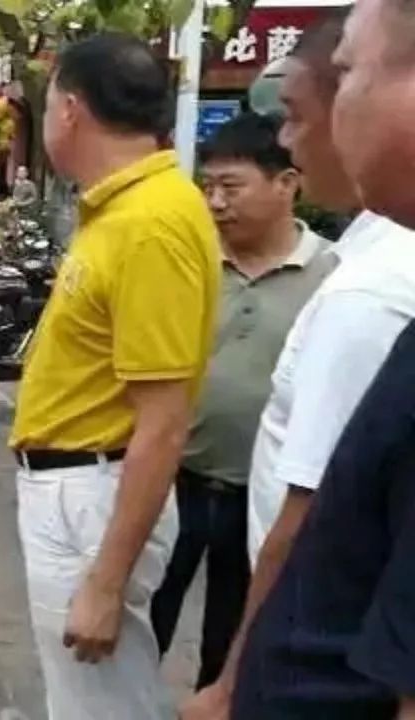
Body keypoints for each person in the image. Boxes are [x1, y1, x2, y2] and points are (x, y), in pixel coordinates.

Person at [182, 13, 415, 719]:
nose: (290, 136)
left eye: (348, 73)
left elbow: (306, 503)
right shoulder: (368, 262)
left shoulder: (367, 295)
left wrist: (230, 684)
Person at [9, 33, 220, 720]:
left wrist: (106, 578)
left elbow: (163, 421)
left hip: (94, 493)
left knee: (104, 706)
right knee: (85, 700)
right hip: (75, 485)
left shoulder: (150, 222)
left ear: (69, 110)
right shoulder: (121, 209)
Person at [149, 112, 335, 691]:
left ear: (287, 183)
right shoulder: (192, 261)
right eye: (208, 188)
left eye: (231, 187)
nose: (215, 202)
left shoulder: (335, 275)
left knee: (233, 637)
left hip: (265, 494)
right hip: (175, 479)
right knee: (144, 617)